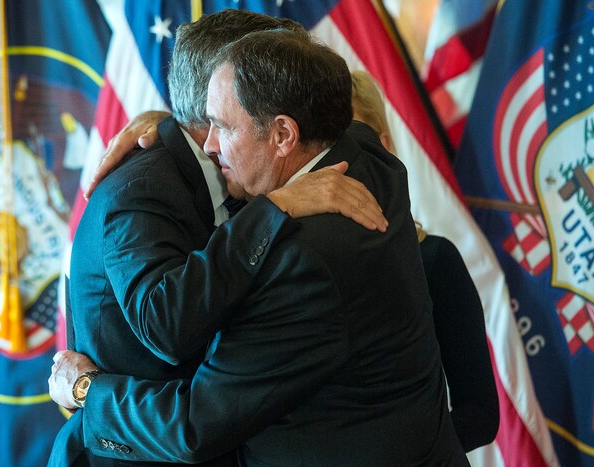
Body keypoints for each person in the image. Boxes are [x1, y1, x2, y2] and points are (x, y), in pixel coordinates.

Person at [50, 28, 468, 465]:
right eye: (203, 126)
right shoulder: (369, 159)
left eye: (221, 126)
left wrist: (86, 389)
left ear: (284, 134)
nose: (208, 144)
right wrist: (172, 129)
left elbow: (195, 425)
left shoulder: (303, 268)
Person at [350, 70, 499, 452]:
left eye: (348, 137)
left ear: (383, 145)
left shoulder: (434, 260)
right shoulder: (299, 264)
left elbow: (479, 415)